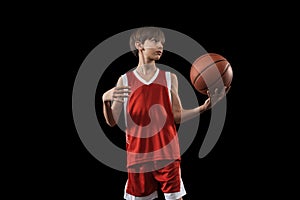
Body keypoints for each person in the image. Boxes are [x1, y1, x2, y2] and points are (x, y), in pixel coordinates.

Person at [102, 26, 230, 200]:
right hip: (138, 157)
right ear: (140, 45)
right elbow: (112, 122)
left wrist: (203, 108)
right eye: (155, 41)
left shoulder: (170, 78)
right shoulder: (125, 80)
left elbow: (176, 115)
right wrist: (105, 99)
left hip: (167, 154)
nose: (160, 46)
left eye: (162, 42)